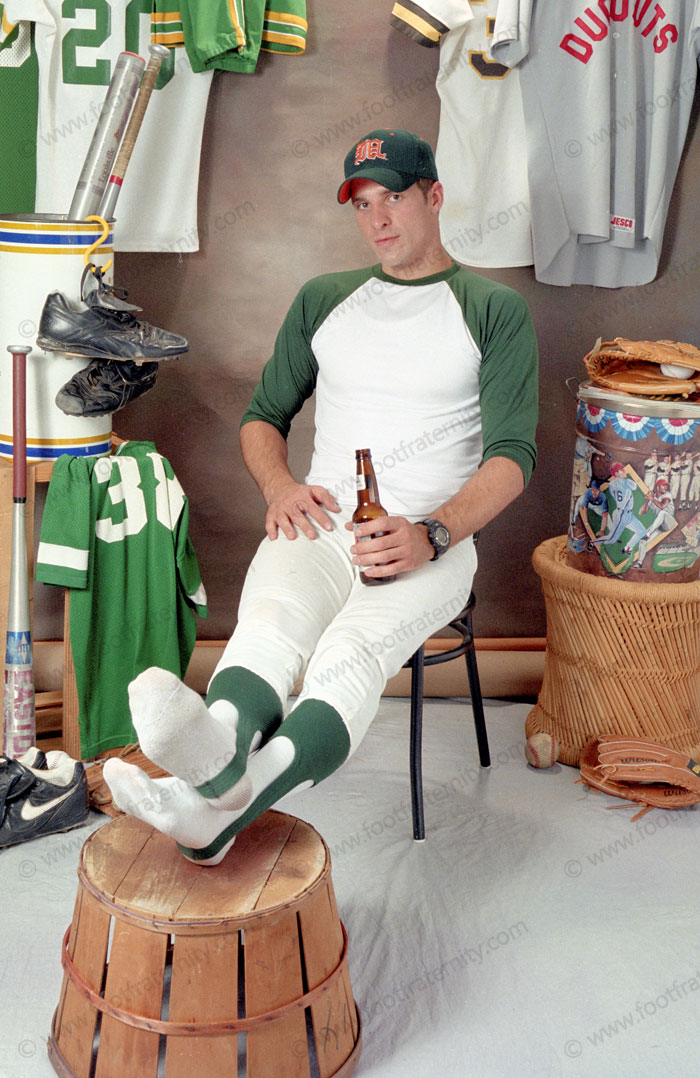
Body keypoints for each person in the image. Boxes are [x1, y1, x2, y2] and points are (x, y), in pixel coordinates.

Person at [104, 128, 539, 865]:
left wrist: (432, 534)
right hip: (324, 525)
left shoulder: (492, 308)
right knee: (268, 627)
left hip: (430, 543)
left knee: (346, 653)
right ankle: (217, 760)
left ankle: (218, 805)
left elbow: (513, 458)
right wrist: (279, 486)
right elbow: (261, 419)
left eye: (393, 197)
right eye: (362, 204)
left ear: (434, 196)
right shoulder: (325, 299)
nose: (378, 218)